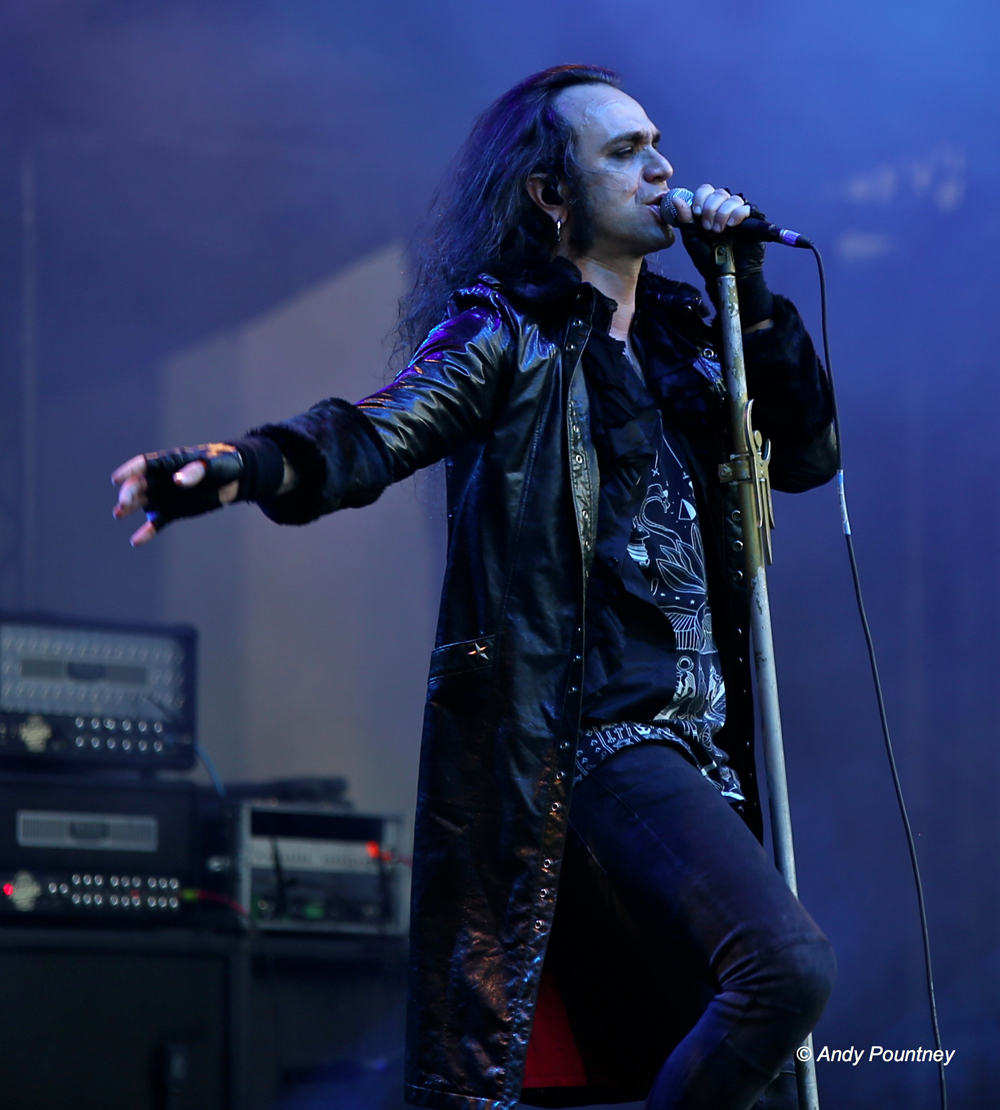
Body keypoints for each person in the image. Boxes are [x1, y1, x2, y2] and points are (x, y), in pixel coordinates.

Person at [113, 65, 836, 1110]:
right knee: (784, 970)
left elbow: (806, 455)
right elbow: (379, 431)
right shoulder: (509, 331)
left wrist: (750, 291)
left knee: (736, 1062)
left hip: (705, 747)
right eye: (623, 152)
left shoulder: (691, 337)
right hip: (595, 737)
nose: (661, 168)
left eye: (656, 144)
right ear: (550, 193)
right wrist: (247, 465)